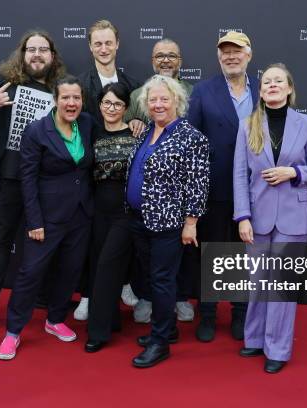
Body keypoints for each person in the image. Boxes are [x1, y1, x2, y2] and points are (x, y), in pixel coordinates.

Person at [0, 30, 65, 336]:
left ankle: (43, 299)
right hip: (7, 180)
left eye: (43, 50)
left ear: (52, 56)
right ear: (22, 54)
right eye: (31, 49)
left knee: (43, 245)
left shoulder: (59, 89)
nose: (37, 54)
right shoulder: (2, 82)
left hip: (44, 182)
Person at [233, 63, 307, 373]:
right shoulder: (247, 125)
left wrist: (294, 172)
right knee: (258, 282)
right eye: (267, 82)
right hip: (256, 218)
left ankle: (278, 349)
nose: (272, 85)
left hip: (293, 216)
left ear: (288, 89)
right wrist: (242, 216)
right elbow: (239, 175)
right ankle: (256, 338)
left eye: (278, 81)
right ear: (260, 91)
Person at [0, 76, 95, 360]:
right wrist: (34, 221)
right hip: (47, 217)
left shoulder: (87, 123)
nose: (71, 103)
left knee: (69, 271)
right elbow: (27, 179)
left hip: (81, 215)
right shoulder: (37, 131)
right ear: (56, 99)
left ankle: (54, 319)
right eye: (66, 97)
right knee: (30, 274)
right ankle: (13, 332)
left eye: (76, 98)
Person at [127, 75, 209, 368]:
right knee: (154, 277)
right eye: (153, 100)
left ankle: (160, 342)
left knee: (162, 280)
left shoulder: (191, 137)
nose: (158, 104)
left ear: (177, 101)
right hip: (139, 219)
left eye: (164, 99)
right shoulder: (146, 131)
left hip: (168, 224)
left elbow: (198, 185)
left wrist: (191, 223)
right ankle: (169, 329)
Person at [187, 31, 258, 342]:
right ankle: (209, 314)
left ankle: (241, 314)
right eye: (225, 52)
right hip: (214, 188)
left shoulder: (264, 89)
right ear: (219, 57)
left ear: (248, 55)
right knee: (213, 253)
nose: (231, 56)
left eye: (237, 51)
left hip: (257, 190)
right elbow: (192, 140)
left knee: (244, 255)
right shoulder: (203, 91)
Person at [124, 38, 196, 323]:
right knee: (147, 258)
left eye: (172, 55)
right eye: (159, 56)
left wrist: (190, 217)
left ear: (180, 60)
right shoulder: (138, 94)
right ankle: (147, 296)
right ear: (152, 60)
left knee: (175, 257)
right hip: (142, 204)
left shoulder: (193, 92)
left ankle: (177, 300)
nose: (165, 60)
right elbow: (126, 124)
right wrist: (131, 123)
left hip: (174, 200)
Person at [74, 20, 141, 320]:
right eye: (97, 43)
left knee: (124, 232)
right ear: (90, 47)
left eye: (108, 42)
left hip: (122, 178)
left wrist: (137, 124)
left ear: (117, 45)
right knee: (92, 237)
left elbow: (140, 124)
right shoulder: (79, 84)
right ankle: (89, 294)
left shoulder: (134, 86)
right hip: (88, 171)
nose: (103, 48)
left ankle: (125, 282)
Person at [84, 83, 137, 353]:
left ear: (126, 108)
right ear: (99, 105)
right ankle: (111, 320)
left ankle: (98, 331)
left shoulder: (137, 134)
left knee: (107, 267)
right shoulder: (91, 133)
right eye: (107, 103)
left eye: (117, 104)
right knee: (98, 267)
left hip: (125, 213)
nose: (111, 108)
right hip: (97, 211)